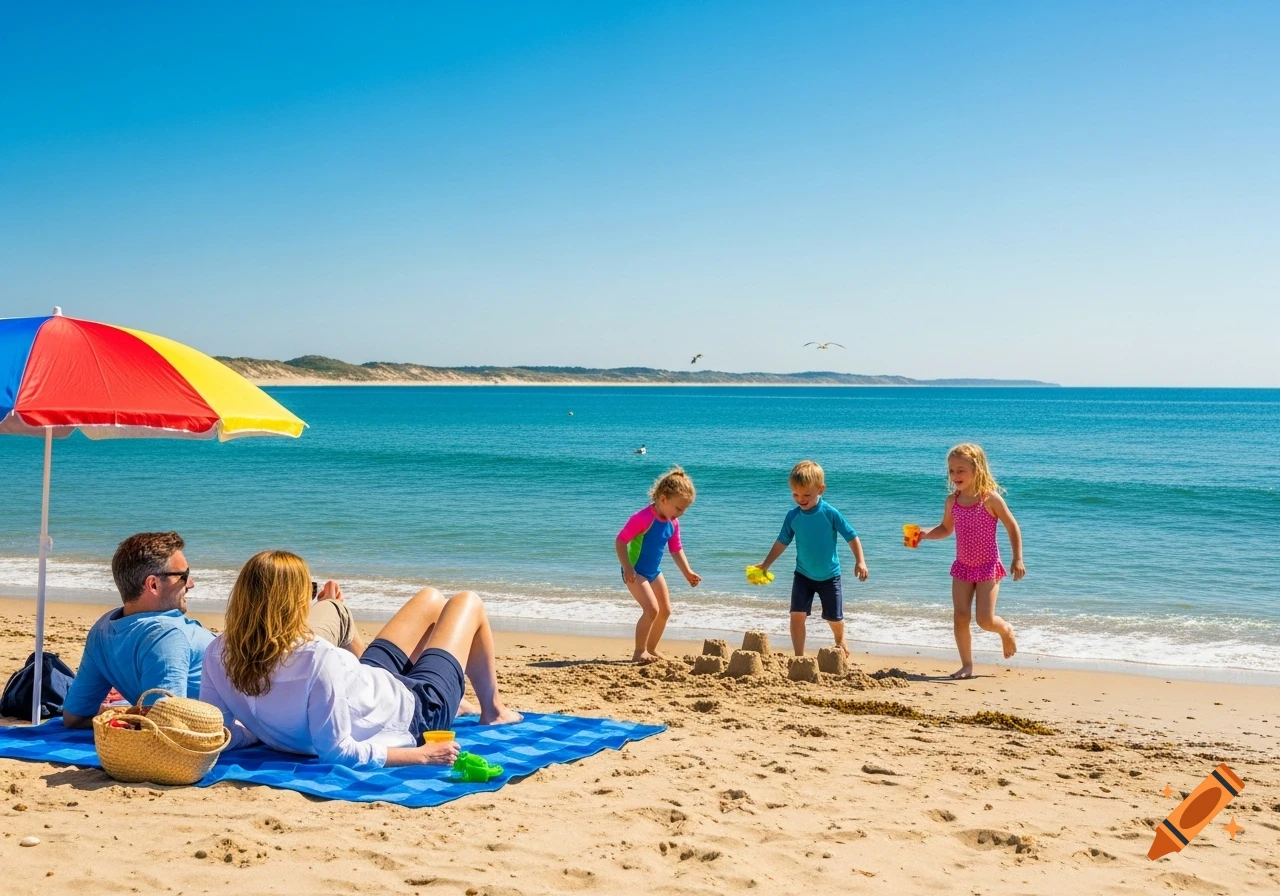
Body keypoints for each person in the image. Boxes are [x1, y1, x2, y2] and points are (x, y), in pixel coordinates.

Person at [200, 550, 521, 768]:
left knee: (431, 599)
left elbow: (221, 732)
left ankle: (458, 695)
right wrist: (422, 756)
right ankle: (493, 711)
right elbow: (338, 751)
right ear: (294, 602)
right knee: (468, 601)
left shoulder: (218, 653)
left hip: (365, 683)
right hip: (417, 710)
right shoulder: (316, 658)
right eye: (308, 591)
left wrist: (263, 730)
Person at [61, 531, 364, 728]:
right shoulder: (166, 636)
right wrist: (132, 717)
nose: (191, 583)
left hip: (265, 672)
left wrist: (116, 715)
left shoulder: (104, 629)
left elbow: (74, 717)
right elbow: (166, 720)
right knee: (336, 608)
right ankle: (369, 676)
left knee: (323, 609)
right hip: (281, 672)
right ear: (153, 584)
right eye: (184, 576)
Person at [909, 443, 1024, 679]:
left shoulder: (990, 499)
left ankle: (1005, 630)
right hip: (962, 566)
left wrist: (1017, 558)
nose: (955, 475)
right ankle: (967, 665)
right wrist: (925, 534)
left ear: (977, 468)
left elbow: (1012, 526)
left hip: (988, 566)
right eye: (951, 471)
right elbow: (945, 528)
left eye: (961, 470)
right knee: (960, 617)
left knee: (984, 619)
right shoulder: (953, 501)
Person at [754, 460, 869, 658]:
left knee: (834, 618)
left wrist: (860, 561)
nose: (800, 499)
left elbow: (852, 536)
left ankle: (840, 638)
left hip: (829, 576)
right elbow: (782, 542)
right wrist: (765, 565)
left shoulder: (830, 513)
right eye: (795, 494)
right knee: (796, 615)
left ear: (820, 489)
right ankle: (799, 656)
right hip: (803, 575)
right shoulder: (792, 516)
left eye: (806, 494)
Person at [615, 466, 701, 662]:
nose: (682, 513)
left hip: (653, 572)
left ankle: (651, 649)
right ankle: (639, 652)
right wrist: (627, 567)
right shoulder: (642, 518)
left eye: (685, 509)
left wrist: (687, 572)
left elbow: (676, 549)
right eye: (679, 508)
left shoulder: (673, 523)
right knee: (651, 610)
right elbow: (620, 541)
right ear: (663, 499)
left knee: (665, 610)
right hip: (635, 571)